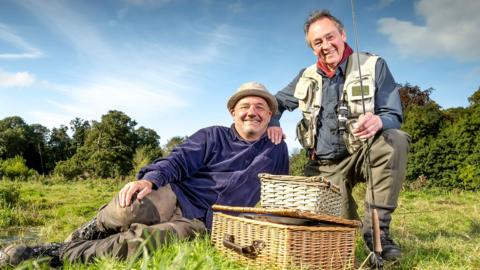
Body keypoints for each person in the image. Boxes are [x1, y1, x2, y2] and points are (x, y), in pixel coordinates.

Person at [0, 81, 289, 267]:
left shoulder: (277, 150)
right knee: (130, 207)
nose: (252, 112)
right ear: (233, 113)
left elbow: (280, 194)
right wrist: (149, 179)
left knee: (145, 241)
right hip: (176, 195)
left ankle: (55, 253)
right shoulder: (212, 136)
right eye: (245, 106)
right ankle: (92, 228)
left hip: (205, 221)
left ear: (269, 116)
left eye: (260, 107)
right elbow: (178, 159)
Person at [267, 10, 410, 261]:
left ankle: (378, 234)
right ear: (312, 48)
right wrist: (274, 122)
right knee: (332, 235)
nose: (325, 46)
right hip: (324, 168)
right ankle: (347, 223)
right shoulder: (305, 75)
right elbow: (274, 102)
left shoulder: (373, 64)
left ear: (342, 34)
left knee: (394, 140)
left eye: (329, 37)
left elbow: (393, 114)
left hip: (361, 153)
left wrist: (378, 120)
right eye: (317, 42)